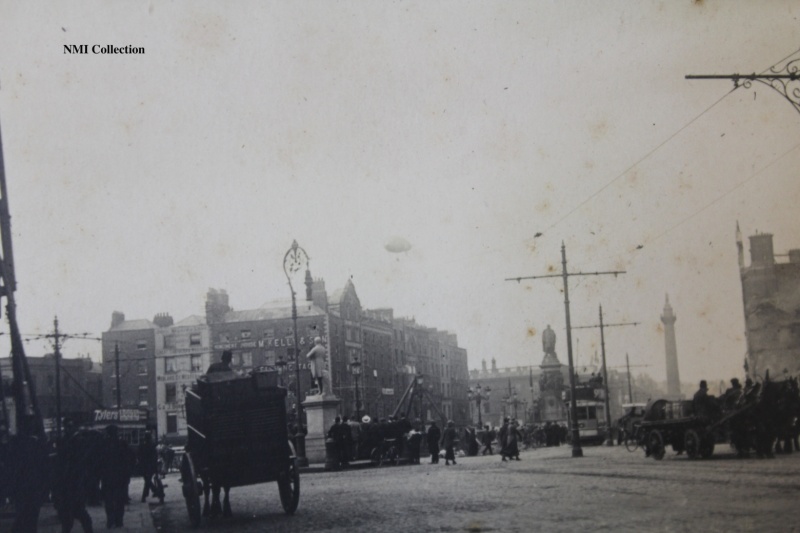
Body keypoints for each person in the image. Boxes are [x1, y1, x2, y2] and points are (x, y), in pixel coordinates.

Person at [52, 430, 95, 533]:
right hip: (72, 493)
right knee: (81, 519)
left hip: (69, 494)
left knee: (70, 521)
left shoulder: (64, 458)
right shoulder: (72, 460)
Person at [99, 425, 132, 529]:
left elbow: (100, 462)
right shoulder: (122, 444)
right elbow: (128, 460)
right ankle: (119, 520)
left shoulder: (104, 445)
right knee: (119, 500)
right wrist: (127, 475)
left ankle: (110, 519)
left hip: (108, 477)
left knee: (109, 500)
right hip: (120, 478)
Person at [137, 432, 164, 504]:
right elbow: (154, 457)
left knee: (147, 481)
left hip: (144, 467)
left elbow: (139, 456)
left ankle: (145, 496)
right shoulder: (152, 446)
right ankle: (154, 491)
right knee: (148, 481)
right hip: (151, 467)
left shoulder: (141, 446)